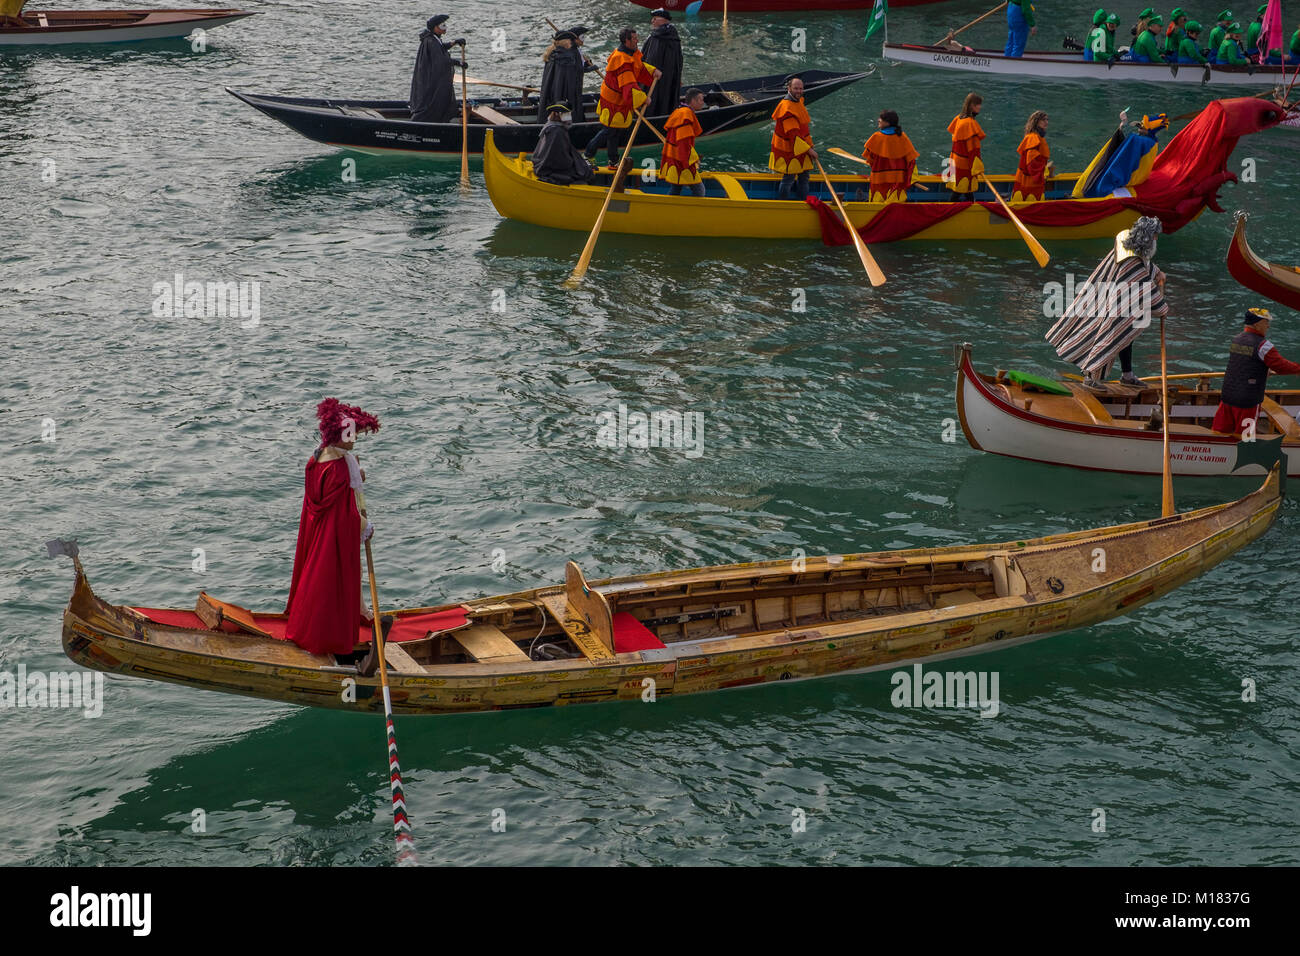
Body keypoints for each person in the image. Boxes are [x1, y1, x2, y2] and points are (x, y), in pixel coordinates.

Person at [285, 398, 385, 671]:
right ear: (341, 435)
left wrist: (356, 473)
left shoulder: (317, 457)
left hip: (318, 530)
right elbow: (345, 514)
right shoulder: (340, 469)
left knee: (318, 574)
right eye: (353, 436)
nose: (355, 441)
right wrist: (364, 526)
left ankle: (342, 615)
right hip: (334, 535)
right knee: (333, 578)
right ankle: (329, 635)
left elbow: (328, 495)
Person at [1045, 217, 1169, 389]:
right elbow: (1144, 286)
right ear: (1149, 237)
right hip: (1114, 306)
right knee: (1109, 336)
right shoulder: (1132, 262)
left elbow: (1145, 265)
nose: (1156, 239)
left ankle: (1127, 375)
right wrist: (1162, 308)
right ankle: (1091, 377)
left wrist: (1157, 272)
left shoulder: (1125, 241)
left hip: (1110, 299)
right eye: (1155, 236)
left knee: (1125, 336)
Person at [1211, 308, 1300, 434]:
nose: (1268, 326)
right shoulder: (1263, 346)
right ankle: (1245, 452)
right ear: (1257, 324)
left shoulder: (1237, 339)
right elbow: (1281, 366)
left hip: (1228, 395)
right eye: (1266, 322)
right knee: (1246, 438)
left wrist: (1263, 369)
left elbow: (1246, 361)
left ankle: (1217, 451)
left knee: (1219, 432)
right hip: (1248, 400)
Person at [584, 27, 661, 167]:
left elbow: (638, 66)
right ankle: (588, 155)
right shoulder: (622, 60)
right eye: (635, 38)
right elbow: (629, 87)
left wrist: (652, 70)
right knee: (609, 131)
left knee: (614, 132)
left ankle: (613, 160)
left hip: (617, 100)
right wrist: (644, 99)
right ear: (627, 41)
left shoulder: (630, 54)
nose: (637, 40)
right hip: (613, 101)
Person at [409, 14, 465, 124]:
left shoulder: (433, 39)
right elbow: (441, 60)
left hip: (431, 78)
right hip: (431, 81)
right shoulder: (431, 41)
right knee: (432, 103)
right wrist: (459, 62)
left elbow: (441, 47)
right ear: (435, 27)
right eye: (442, 26)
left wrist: (454, 42)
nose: (445, 29)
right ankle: (420, 123)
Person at [769, 74, 816, 200]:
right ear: (789, 88)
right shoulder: (787, 108)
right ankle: (783, 203)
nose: (799, 91)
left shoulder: (799, 101)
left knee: (804, 177)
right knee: (788, 179)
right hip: (790, 149)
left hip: (802, 146)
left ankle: (803, 202)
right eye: (796, 88)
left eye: (801, 88)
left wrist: (808, 146)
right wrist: (810, 150)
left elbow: (801, 128)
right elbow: (793, 134)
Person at [858, 109, 919, 203]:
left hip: (878, 180)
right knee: (895, 202)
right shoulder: (903, 137)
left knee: (877, 202)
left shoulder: (875, 137)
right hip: (897, 182)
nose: (878, 120)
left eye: (881, 119)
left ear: (887, 123)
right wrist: (912, 179)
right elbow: (911, 162)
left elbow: (870, 160)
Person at [532, 103, 596, 185]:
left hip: (544, 163)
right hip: (551, 167)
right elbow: (561, 160)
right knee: (585, 174)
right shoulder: (557, 132)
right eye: (566, 113)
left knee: (583, 168)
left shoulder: (551, 126)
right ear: (557, 114)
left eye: (569, 113)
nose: (569, 116)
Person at [662, 88, 706, 196]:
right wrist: (687, 164)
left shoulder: (679, 111)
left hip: (673, 158)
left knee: (676, 188)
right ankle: (693, 212)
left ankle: (668, 208)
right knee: (699, 191)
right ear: (693, 101)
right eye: (701, 100)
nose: (703, 102)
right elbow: (683, 143)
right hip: (680, 161)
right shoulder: (685, 116)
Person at [641, 8, 683, 116]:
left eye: (655, 18)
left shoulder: (657, 37)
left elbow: (649, 58)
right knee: (667, 95)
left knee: (654, 96)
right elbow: (679, 59)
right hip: (670, 76)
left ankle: (651, 115)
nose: (652, 21)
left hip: (655, 76)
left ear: (663, 20)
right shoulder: (674, 37)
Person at [946, 93, 986, 201]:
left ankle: (970, 204)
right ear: (973, 106)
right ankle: (950, 210)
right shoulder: (970, 124)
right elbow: (973, 149)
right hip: (964, 163)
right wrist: (977, 166)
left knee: (964, 190)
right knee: (960, 190)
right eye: (979, 105)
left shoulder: (958, 119)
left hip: (955, 160)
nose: (980, 107)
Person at [538, 30, 584, 121]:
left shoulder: (552, 53)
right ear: (566, 42)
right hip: (563, 93)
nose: (572, 43)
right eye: (570, 40)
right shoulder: (566, 56)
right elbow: (570, 78)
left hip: (551, 90)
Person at [1012, 110, 1053, 201]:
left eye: (1047, 119)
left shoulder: (1037, 137)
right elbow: (1032, 163)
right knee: (1030, 199)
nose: (1046, 122)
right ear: (1036, 121)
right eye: (1043, 120)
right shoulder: (1033, 138)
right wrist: (1044, 170)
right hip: (1030, 182)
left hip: (1029, 179)